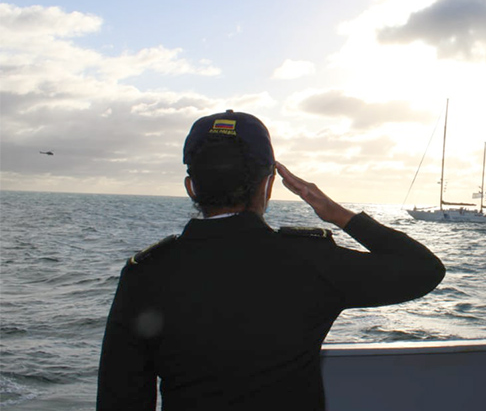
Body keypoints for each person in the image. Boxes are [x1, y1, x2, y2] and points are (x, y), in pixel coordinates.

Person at [97, 110, 446, 410]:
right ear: (268, 186)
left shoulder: (146, 274)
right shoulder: (311, 260)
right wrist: (334, 212)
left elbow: (121, 398)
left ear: (192, 187)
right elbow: (423, 270)